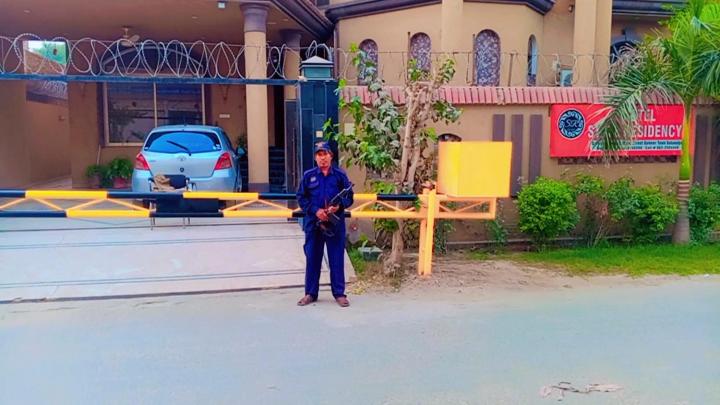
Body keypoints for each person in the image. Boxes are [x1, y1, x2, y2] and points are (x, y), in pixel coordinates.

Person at [296, 141, 354, 307]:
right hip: (314, 224)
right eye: (319, 155)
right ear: (315, 158)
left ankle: (339, 294)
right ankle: (310, 293)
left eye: (325, 154)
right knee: (313, 258)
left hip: (334, 224)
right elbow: (301, 197)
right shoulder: (308, 176)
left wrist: (339, 206)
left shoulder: (340, 175)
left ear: (331, 156)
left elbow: (349, 197)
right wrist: (316, 211)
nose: (322, 158)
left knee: (336, 258)